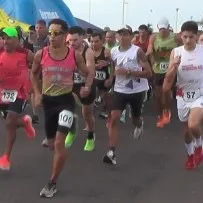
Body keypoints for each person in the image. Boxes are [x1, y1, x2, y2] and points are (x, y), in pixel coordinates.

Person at [31, 19, 92, 198]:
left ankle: (52, 183)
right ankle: (72, 125)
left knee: (59, 144)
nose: (52, 37)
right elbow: (33, 74)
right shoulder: (41, 54)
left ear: (65, 35)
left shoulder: (74, 55)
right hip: (48, 102)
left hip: (66, 101)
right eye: (50, 33)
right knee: (51, 144)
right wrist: (36, 92)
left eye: (56, 33)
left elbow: (87, 72)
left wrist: (86, 86)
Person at [163, 21, 203, 170]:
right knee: (187, 130)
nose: (188, 40)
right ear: (181, 36)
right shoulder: (176, 52)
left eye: (191, 37)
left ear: (196, 36)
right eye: (185, 37)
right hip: (183, 95)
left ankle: (199, 146)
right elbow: (168, 78)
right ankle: (190, 155)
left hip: (201, 93)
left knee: (193, 124)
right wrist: (174, 67)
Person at [0, 27, 36, 170]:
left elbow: (38, 68)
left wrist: (34, 87)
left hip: (21, 92)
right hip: (4, 94)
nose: (5, 41)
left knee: (9, 121)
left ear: (17, 40)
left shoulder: (26, 54)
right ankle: (25, 122)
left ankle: (6, 158)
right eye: (3, 38)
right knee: (9, 123)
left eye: (9, 38)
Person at [103, 28, 152, 166]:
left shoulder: (137, 51)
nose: (123, 38)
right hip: (120, 90)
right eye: (121, 35)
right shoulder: (113, 52)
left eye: (126, 35)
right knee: (114, 117)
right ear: (117, 37)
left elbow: (148, 73)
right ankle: (111, 152)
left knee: (135, 118)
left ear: (131, 37)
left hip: (137, 90)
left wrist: (128, 72)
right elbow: (114, 69)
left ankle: (139, 123)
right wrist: (110, 78)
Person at [65, 27, 96, 151]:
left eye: (75, 40)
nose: (72, 43)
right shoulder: (67, 50)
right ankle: (72, 131)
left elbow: (90, 73)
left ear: (82, 38)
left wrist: (87, 87)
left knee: (87, 114)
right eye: (70, 40)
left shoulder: (88, 52)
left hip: (85, 84)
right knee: (67, 108)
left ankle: (90, 136)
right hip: (72, 85)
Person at [147, 18, 180, 128]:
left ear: (168, 28)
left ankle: (167, 111)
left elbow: (182, 49)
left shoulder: (175, 37)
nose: (162, 31)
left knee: (167, 92)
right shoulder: (154, 37)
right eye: (160, 29)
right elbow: (150, 50)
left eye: (164, 29)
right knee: (158, 94)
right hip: (158, 69)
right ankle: (160, 114)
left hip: (171, 69)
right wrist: (151, 61)